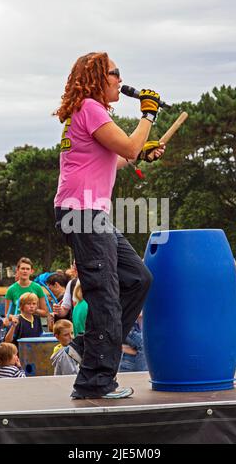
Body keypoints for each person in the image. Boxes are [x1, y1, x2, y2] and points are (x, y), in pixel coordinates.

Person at [53, 52, 164, 399]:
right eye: (115, 73)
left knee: (137, 279)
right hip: (83, 213)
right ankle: (95, 383)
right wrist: (147, 114)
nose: (120, 79)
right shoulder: (90, 107)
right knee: (105, 298)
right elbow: (129, 145)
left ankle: (90, 345)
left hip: (89, 214)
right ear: (99, 76)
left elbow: (119, 155)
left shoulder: (85, 111)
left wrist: (140, 153)